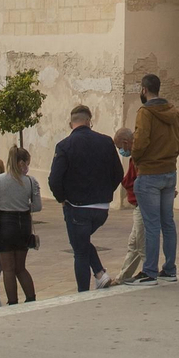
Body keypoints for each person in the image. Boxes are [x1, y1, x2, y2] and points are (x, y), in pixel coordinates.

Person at [48, 104, 125, 292]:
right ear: (90, 121)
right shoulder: (106, 142)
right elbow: (118, 173)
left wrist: (62, 198)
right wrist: (106, 192)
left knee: (80, 250)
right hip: (101, 208)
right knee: (81, 241)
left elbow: (55, 179)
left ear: (70, 123)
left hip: (77, 206)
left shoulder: (64, 145)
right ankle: (100, 274)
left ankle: (83, 293)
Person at [130, 73, 179, 283]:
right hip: (169, 171)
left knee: (152, 224)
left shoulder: (145, 112)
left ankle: (150, 271)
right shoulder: (174, 112)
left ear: (144, 90)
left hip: (149, 173)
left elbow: (141, 141)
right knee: (168, 223)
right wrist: (169, 155)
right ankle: (170, 268)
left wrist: (137, 158)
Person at [0, 147, 42, 303]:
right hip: (23, 224)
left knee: (8, 269)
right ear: (22, 162)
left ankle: (13, 302)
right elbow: (37, 206)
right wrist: (23, 205)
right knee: (20, 267)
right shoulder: (31, 181)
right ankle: (31, 298)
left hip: (5, 224)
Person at [112, 128, 144, 284]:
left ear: (125, 142)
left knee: (141, 242)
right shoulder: (135, 157)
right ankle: (123, 277)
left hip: (143, 204)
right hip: (139, 204)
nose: (121, 151)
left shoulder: (139, 157)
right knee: (134, 242)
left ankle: (149, 271)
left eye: (120, 147)